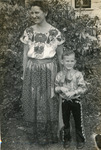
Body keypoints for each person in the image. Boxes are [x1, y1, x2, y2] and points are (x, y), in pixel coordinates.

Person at [20, 0, 65, 145]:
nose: (34, 15)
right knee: (32, 99)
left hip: (49, 70)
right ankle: (35, 135)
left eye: (37, 12)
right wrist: (24, 73)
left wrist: (63, 75)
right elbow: (25, 54)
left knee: (48, 100)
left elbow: (60, 56)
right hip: (32, 69)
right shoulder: (28, 31)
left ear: (45, 12)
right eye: (32, 12)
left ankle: (50, 135)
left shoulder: (55, 32)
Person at [55, 50, 87, 149]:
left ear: (75, 62)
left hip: (76, 101)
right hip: (65, 102)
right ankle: (67, 139)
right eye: (67, 61)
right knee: (65, 122)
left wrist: (74, 92)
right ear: (62, 62)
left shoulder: (78, 74)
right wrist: (61, 88)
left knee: (78, 122)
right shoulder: (59, 75)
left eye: (71, 61)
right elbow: (56, 88)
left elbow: (83, 88)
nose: (69, 63)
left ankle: (80, 140)